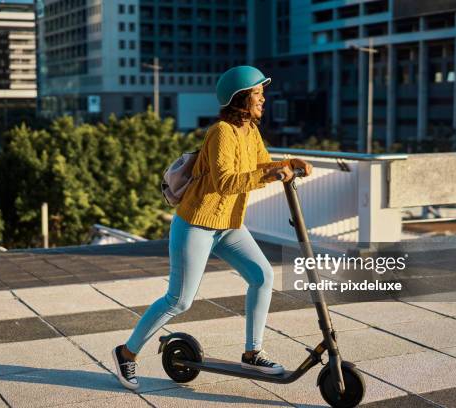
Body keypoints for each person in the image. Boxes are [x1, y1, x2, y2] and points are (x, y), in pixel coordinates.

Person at [112, 66, 313, 390]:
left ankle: (253, 352)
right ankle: (126, 353)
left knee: (262, 276)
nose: (263, 99)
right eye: (258, 94)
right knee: (179, 300)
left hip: (229, 226)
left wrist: (288, 164)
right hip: (196, 225)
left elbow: (262, 163)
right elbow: (226, 181)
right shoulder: (221, 132)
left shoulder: (250, 131)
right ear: (241, 98)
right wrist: (273, 175)